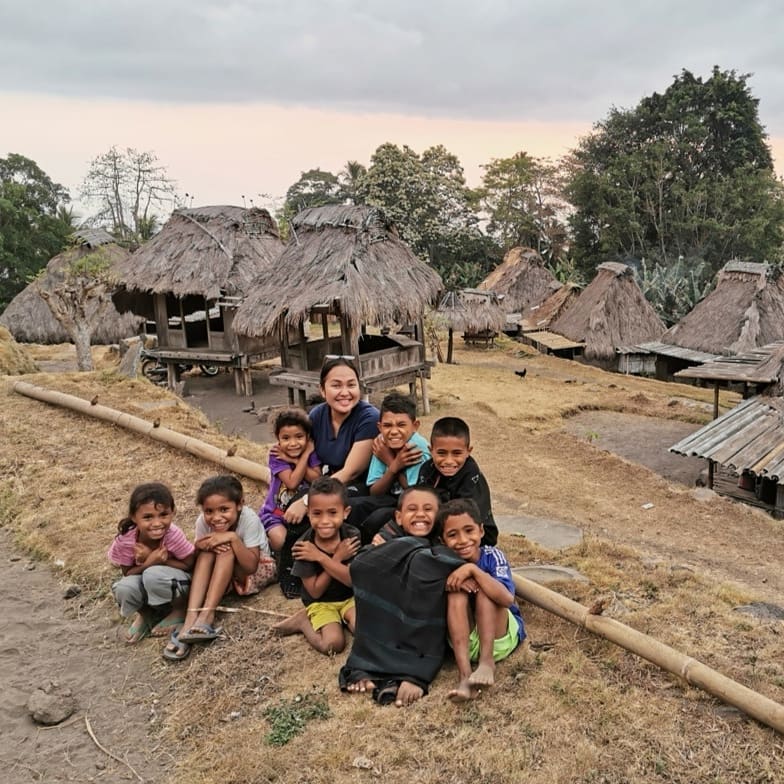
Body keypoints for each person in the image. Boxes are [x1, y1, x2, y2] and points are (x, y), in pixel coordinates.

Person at [339, 486, 464, 707]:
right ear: (398, 516)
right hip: (389, 616)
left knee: (424, 565)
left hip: (422, 622)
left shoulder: (443, 539)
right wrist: (391, 553)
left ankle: (412, 671)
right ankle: (371, 663)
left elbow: (454, 559)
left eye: (428, 509)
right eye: (412, 509)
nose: (420, 515)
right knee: (369, 565)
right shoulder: (388, 534)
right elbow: (361, 565)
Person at [278, 357, 379, 597]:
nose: (345, 392)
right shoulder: (317, 415)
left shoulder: (369, 417)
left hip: (360, 485)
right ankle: (295, 570)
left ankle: (339, 570)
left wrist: (306, 502)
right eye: (336, 385)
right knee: (294, 509)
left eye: (351, 385)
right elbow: (310, 456)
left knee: (321, 508)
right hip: (327, 482)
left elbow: (352, 471)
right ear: (322, 390)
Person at [439, 498, 526, 702]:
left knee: (486, 590)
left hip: (498, 638)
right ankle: (465, 675)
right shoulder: (441, 561)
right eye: (452, 535)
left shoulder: (493, 556)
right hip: (465, 641)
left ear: (481, 531)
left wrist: (473, 570)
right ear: (443, 540)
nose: (462, 540)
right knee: (456, 593)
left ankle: (487, 663)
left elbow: (506, 599)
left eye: (469, 531)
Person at [177, 476, 269, 652]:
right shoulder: (202, 522)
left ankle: (207, 613)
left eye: (224, 509)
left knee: (225, 548)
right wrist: (199, 546)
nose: (216, 517)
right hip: (224, 575)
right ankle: (191, 615)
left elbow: (251, 566)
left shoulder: (249, 519)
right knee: (207, 551)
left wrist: (233, 538)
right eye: (209, 511)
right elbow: (199, 560)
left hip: (255, 570)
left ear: (240, 504)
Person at [271, 477, 361, 654]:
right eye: (317, 513)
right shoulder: (304, 546)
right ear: (308, 513)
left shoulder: (351, 535)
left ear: (345, 512)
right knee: (333, 645)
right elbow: (315, 591)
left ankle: (344, 618)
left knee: (366, 633)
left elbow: (352, 580)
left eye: (332, 513)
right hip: (321, 602)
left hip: (350, 597)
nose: (325, 521)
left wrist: (322, 557)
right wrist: (334, 558)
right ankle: (303, 622)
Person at [108, 483, 195, 648]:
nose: (157, 523)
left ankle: (179, 610)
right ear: (134, 517)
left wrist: (162, 561)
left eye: (163, 515)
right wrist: (149, 562)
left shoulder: (172, 534)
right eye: (148, 517)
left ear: (173, 512)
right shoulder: (127, 539)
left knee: (153, 574)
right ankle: (146, 614)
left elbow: (190, 564)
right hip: (149, 578)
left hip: (177, 580)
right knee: (123, 587)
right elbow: (128, 573)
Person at [348, 391, 430, 542]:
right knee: (350, 503)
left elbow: (414, 494)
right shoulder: (382, 443)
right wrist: (393, 465)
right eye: (387, 425)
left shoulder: (416, 448)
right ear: (379, 427)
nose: (393, 431)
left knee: (376, 518)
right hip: (388, 497)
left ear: (415, 426)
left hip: (413, 504)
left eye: (401, 425)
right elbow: (374, 491)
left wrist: (391, 462)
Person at [417, 417, 498, 546]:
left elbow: (464, 516)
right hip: (437, 528)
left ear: (468, 452)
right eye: (442, 453)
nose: (449, 461)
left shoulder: (471, 475)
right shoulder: (427, 470)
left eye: (456, 453)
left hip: (473, 535)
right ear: (431, 450)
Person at [260, 408, 322, 553]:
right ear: (278, 438)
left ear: (308, 437)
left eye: (299, 437)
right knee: (282, 542)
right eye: (286, 438)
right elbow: (292, 482)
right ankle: (265, 545)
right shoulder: (276, 454)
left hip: (302, 515)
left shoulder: (311, 453)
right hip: (275, 514)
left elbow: (317, 479)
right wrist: (302, 457)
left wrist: (296, 459)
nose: (293, 443)